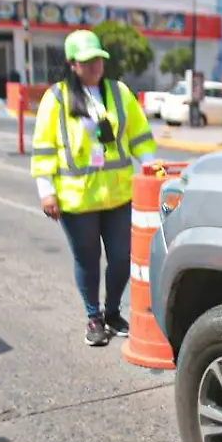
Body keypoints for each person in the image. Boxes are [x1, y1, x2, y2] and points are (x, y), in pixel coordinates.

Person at [31, 29, 158, 347]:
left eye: (98, 60)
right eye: (87, 62)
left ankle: (113, 312)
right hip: (77, 199)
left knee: (121, 258)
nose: (95, 67)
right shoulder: (57, 98)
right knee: (88, 260)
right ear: (73, 64)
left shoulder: (119, 93)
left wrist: (151, 168)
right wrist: (46, 190)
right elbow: (44, 146)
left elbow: (139, 134)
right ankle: (94, 317)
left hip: (118, 194)